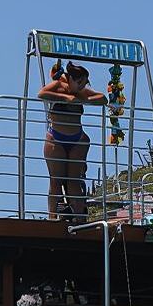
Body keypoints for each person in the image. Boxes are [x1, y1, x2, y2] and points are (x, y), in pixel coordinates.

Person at [37, 62, 108, 220]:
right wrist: (65, 98)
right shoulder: (58, 85)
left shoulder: (81, 93)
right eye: (79, 82)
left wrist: (82, 99)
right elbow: (41, 94)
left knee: (73, 181)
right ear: (70, 79)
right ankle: (52, 217)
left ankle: (79, 217)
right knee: (56, 181)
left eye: (84, 83)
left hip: (77, 138)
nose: (82, 86)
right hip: (56, 138)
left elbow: (103, 98)